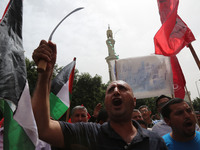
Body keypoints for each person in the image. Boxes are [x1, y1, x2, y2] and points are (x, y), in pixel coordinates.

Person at [32, 40, 167, 150]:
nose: (116, 91)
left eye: (122, 88)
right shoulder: (87, 134)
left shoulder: (155, 142)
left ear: (134, 101)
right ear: (106, 102)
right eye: (110, 90)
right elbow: (43, 129)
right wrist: (44, 76)